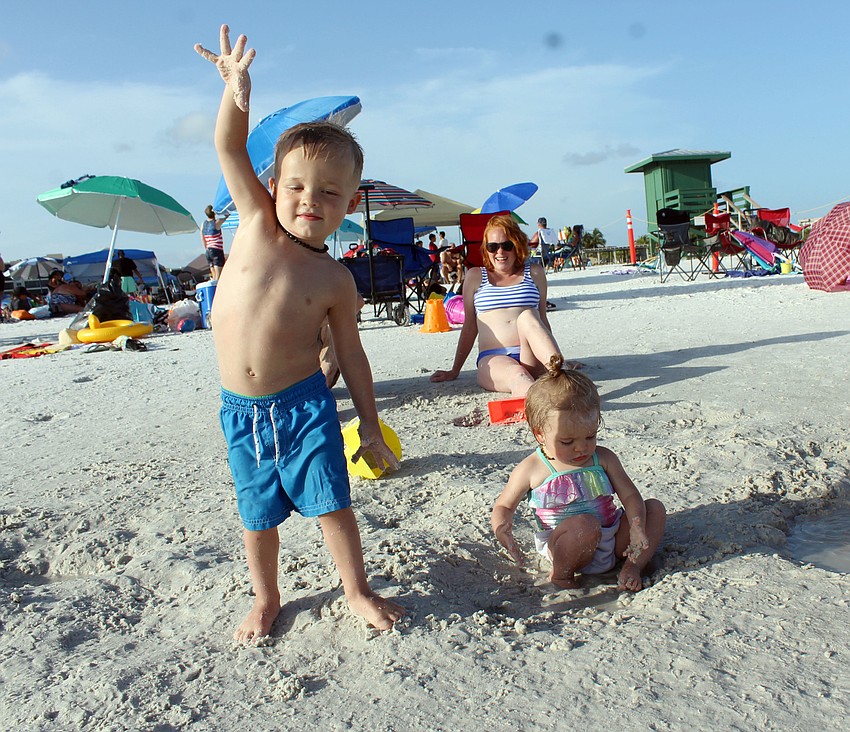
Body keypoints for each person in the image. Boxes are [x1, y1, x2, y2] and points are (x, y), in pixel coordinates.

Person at [195, 25, 405, 643]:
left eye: (330, 192)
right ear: (274, 187)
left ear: (348, 204)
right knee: (257, 514)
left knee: (331, 504)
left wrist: (368, 422)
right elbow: (229, 148)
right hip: (242, 411)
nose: (310, 199)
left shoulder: (336, 279)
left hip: (305, 406)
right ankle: (266, 599)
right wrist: (237, 92)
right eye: (296, 186)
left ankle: (356, 590)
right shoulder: (256, 225)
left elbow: (353, 356)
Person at [492, 356, 666, 590]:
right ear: (540, 434)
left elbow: (630, 496)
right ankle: (562, 577)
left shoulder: (603, 458)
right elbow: (504, 505)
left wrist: (635, 525)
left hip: (612, 539)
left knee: (654, 508)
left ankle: (633, 565)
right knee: (585, 524)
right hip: (567, 544)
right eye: (567, 441)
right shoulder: (532, 467)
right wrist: (502, 525)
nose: (581, 447)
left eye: (590, 436)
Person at [430, 214, 578, 397]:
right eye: (493, 247)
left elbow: (542, 322)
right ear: (486, 249)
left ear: (517, 245)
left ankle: (560, 373)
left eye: (506, 245)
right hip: (493, 357)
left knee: (529, 315)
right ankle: (542, 402)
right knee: (518, 375)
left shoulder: (535, 273)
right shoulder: (475, 276)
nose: (500, 252)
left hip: (531, 353)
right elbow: (469, 326)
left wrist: (556, 356)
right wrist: (454, 370)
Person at [202, 204, 228, 280]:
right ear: (214, 213)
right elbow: (227, 217)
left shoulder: (203, 224)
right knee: (218, 276)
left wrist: (206, 248)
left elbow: (202, 239)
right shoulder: (217, 222)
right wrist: (224, 212)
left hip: (208, 251)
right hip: (216, 250)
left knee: (213, 276)